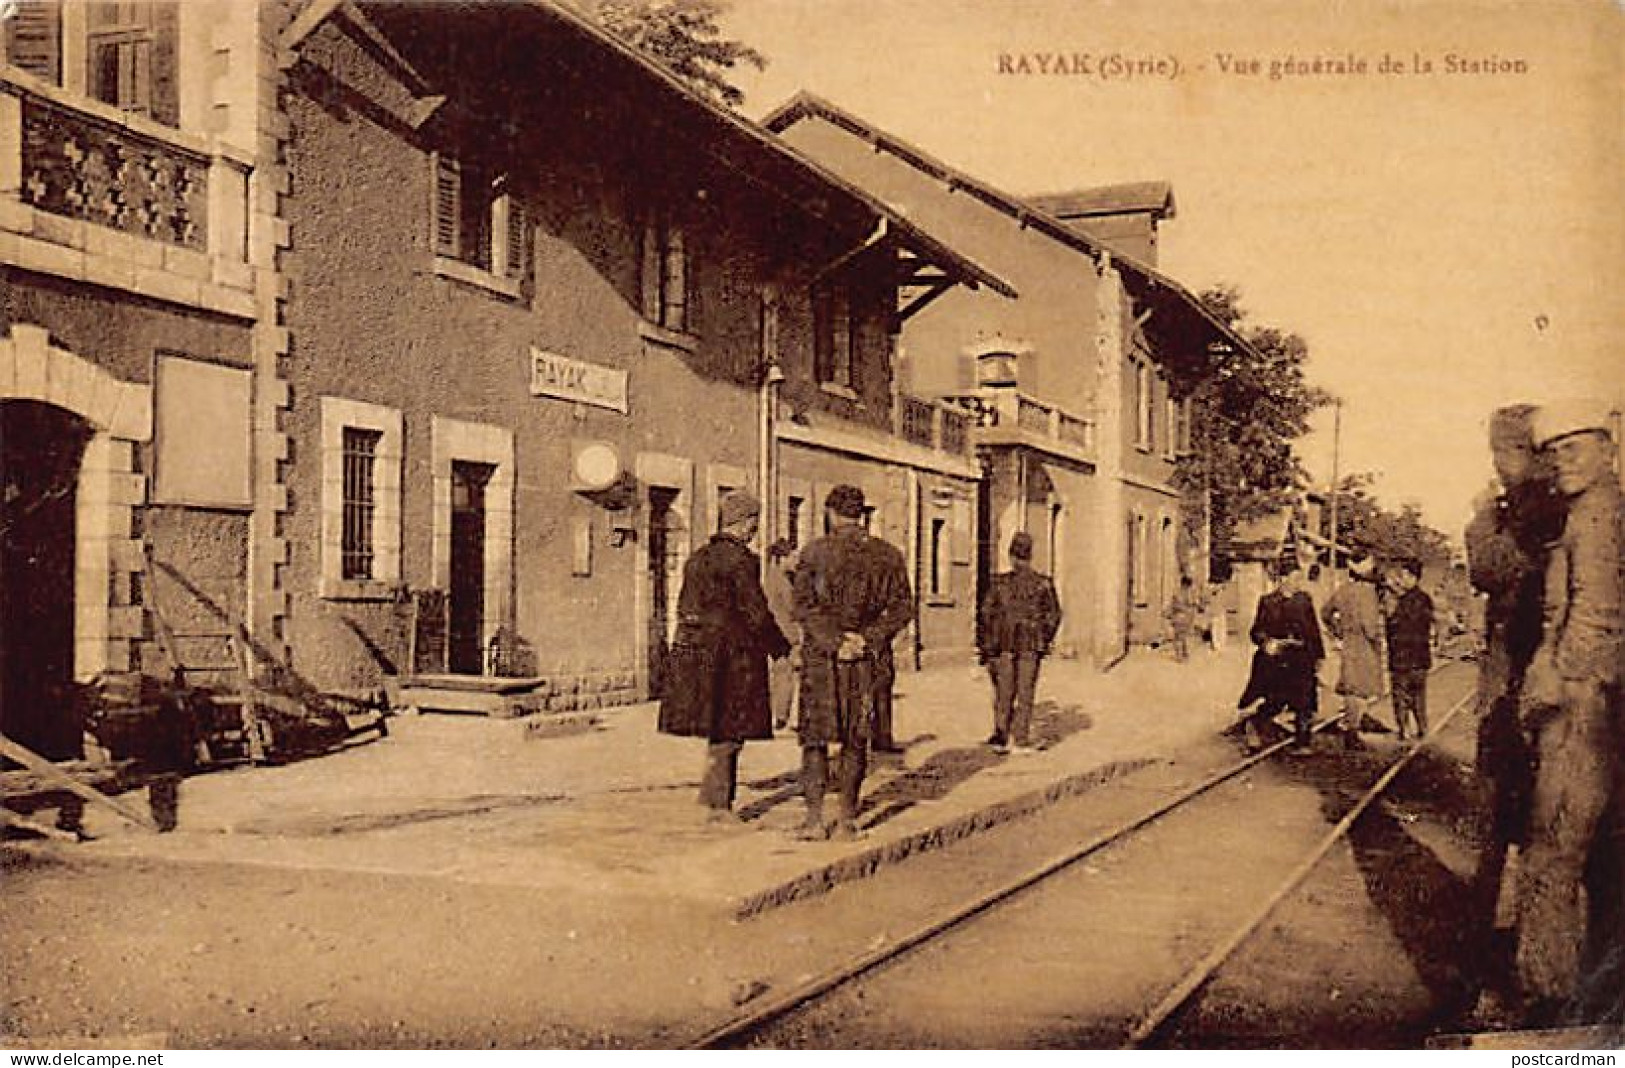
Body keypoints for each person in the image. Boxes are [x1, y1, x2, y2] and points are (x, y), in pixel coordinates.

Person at [1513, 399, 1621, 1026]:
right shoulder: (1593, 510)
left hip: (1584, 709)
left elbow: (1596, 614)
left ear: (1607, 449)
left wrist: (1556, 681)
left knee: (1553, 852)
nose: (1562, 462)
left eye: (1575, 448)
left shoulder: (1599, 517)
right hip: (1597, 700)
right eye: (1555, 453)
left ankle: (1551, 1001)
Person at [1462, 403, 1566, 1024]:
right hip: (1522, 687)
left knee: (1513, 830)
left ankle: (1511, 977)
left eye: (1504, 456)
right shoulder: (1538, 505)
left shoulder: (1535, 510)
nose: (1498, 469)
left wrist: (1481, 516)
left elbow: (1488, 568)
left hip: (1525, 692)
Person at [657, 490, 791, 824]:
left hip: (697, 654)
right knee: (732, 728)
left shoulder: (697, 557)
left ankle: (710, 796)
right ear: (744, 523)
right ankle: (719, 806)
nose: (755, 530)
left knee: (717, 726)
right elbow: (755, 612)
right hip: (733, 657)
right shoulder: (742, 560)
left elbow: (685, 607)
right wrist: (779, 646)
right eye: (754, 522)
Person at [792, 485, 912, 841]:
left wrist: (833, 641)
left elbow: (803, 607)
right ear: (862, 514)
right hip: (865, 659)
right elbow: (903, 607)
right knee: (856, 737)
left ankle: (814, 820)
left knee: (814, 739)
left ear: (830, 513)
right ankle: (846, 819)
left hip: (822, 659)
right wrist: (867, 639)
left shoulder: (813, 553)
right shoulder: (887, 555)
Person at [976, 530, 1063, 754]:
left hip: (1003, 644)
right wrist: (1044, 637)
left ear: (1011, 555)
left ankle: (1000, 735)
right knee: (1025, 691)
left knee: (1004, 690)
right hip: (1031, 645)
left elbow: (986, 614)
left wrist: (985, 645)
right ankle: (1021, 738)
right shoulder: (1043, 584)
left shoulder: (999, 583)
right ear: (1030, 555)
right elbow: (1054, 615)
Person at [1235, 556, 1325, 754]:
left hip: (1302, 658)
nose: (1297, 583)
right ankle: (1254, 724)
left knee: (1305, 702)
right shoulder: (1268, 602)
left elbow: (1313, 630)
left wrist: (1319, 655)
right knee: (1276, 701)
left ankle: (1303, 742)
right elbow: (1255, 631)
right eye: (1293, 578)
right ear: (1282, 578)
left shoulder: (1304, 600)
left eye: (1299, 579)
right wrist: (1267, 641)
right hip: (1277, 660)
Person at [1320, 553, 1385, 750]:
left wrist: (1338, 631)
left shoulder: (1343, 590)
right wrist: (1378, 641)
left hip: (1349, 641)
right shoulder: (1368, 593)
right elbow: (1370, 626)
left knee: (1351, 685)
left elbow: (1325, 613)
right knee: (1361, 688)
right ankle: (1352, 731)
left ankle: (1351, 727)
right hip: (1364, 643)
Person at [1383, 556, 1435, 742]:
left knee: (1400, 696)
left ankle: (1403, 729)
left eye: (1404, 576)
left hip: (1401, 657)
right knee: (1419, 696)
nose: (1401, 579)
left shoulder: (1400, 602)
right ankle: (1422, 728)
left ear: (1413, 577)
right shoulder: (1426, 599)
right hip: (1420, 657)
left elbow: (1393, 625)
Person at [763, 539, 801, 730]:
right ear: (780, 558)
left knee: (782, 675)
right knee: (787, 676)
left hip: (783, 633)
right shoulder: (779, 581)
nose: (796, 560)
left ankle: (780, 715)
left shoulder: (776, 578)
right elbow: (790, 610)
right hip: (785, 635)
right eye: (791, 556)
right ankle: (782, 716)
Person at [1166, 575, 1199, 663]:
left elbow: (1174, 605)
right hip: (1187, 618)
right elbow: (1194, 606)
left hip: (1178, 617)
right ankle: (1185, 654)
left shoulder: (1177, 594)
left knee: (1177, 638)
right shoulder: (1191, 594)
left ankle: (1179, 656)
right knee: (1183, 637)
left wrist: (1168, 613)